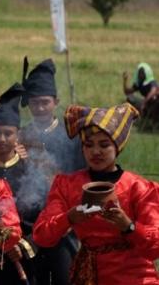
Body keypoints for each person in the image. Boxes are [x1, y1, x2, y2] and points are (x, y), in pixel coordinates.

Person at [33, 103, 159, 285]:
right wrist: (69, 218)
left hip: (135, 277)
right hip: (89, 276)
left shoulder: (139, 188)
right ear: (82, 148)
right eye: (89, 145)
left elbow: (155, 247)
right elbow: (42, 235)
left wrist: (128, 226)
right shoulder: (67, 185)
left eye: (104, 145)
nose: (96, 151)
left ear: (117, 147)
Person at [17, 57, 82, 285]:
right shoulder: (20, 136)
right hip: (29, 223)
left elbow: (80, 177)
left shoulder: (71, 136)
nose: (40, 108)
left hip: (63, 221)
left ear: (56, 101)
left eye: (45, 102)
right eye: (34, 103)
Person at [0, 83, 41, 284]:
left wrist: (23, 245)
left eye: (8, 133)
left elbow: (43, 218)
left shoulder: (32, 170)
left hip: (25, 256)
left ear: (18, 135)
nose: (2, 139)